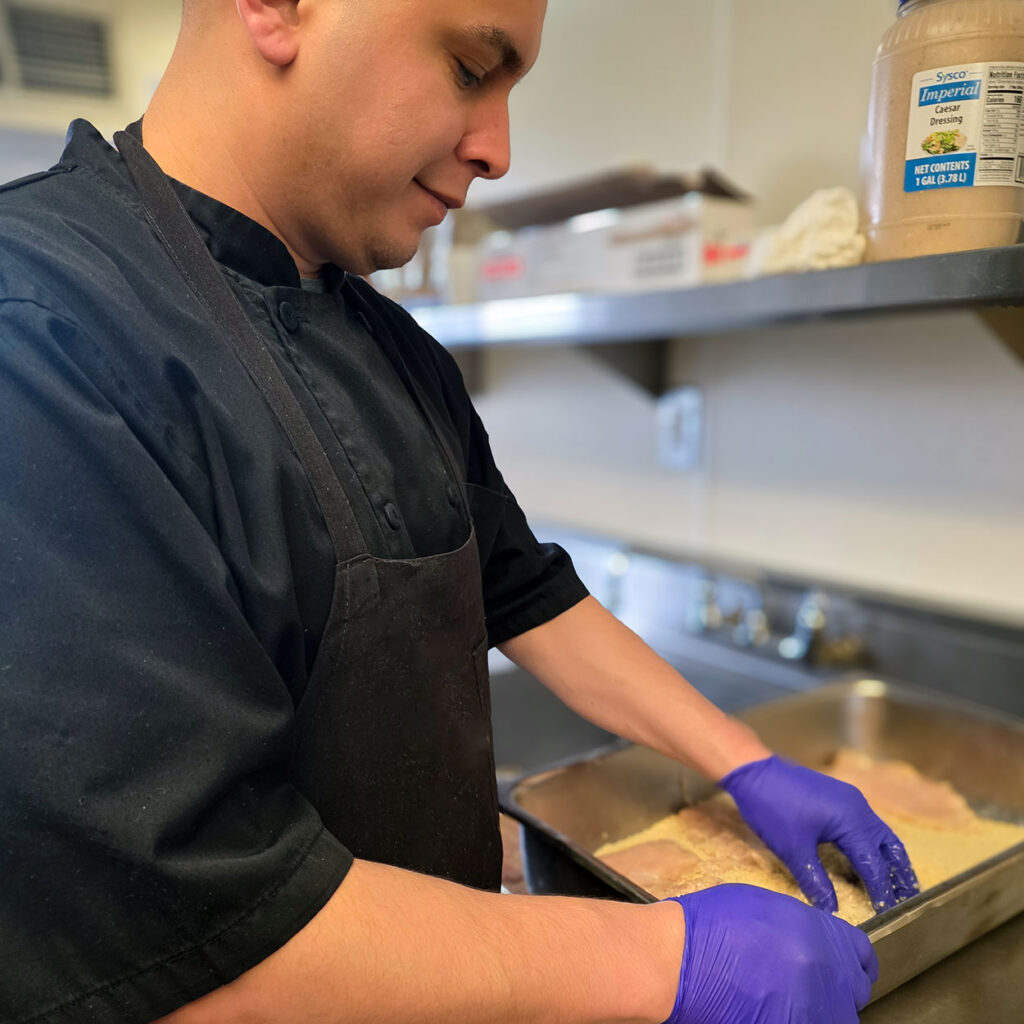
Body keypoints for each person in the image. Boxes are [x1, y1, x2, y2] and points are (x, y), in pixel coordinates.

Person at [0, 1, 918, 1022]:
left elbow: (525, 594)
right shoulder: (41, 333)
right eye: (471, 68)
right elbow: (198, 935)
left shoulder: (398, 353)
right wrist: (668, 956)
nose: (498, 151)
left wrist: (745, 761)